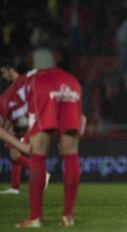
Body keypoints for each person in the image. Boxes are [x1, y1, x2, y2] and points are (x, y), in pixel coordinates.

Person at [0, 59, 82, 228]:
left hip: (42, 85)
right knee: (70, 153)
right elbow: (83, 119)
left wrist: (22, 146)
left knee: (38, 153)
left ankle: (35, 217)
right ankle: (68, 217)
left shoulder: (4, 99)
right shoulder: (19, 88)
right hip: (70, 82)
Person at [0, 58, 51, 195]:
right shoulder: (16, 84)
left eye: (3, 72)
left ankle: (42, 173)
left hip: (26, 122)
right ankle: (15, 187)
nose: (3, 76)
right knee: (13, 152)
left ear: (10, 69)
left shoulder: (22, 81)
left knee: (14, 154)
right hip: (22, 121)